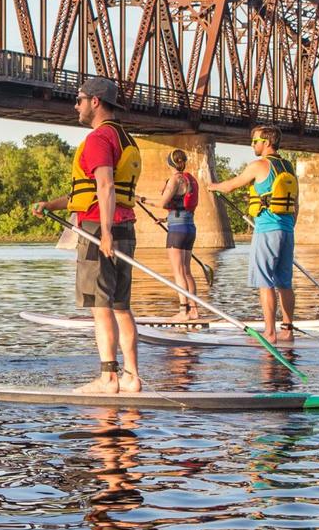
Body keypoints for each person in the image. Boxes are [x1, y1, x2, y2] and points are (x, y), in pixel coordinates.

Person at [30, 77, 141, 394]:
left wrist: (104, 232)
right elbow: (89, 191)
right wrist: (51, 204)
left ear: (95, 101)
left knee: (100, 305)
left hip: (98, 229)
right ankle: (132, 378)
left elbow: (105, 185)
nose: (75, 105)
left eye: (78, 99)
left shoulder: (98, 139)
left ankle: (108, 378)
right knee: (121, 305)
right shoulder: (125, 139)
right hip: (125, 226)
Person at [207, 124, 298, 341]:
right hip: (287, 230)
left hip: (267, 231)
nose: (252, 145)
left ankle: (269, 333)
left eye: (255, 141)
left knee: (265, 281)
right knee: (284, 282)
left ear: (266, 142)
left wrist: (213, 186)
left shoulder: (259, 165)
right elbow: (295, 203)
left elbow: (231, 186)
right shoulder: (288, 167)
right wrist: (288, 226)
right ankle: (287, 330)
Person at [151, 148, 203, 320]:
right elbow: (182, 207)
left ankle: (183, 312)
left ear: (170, 163)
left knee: (178, 271)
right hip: (189, 228)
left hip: (177, 232)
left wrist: (141, 200)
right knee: (187, 271)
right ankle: (194, 310)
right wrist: (165, 220)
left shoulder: (175, 179)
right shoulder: (191, 179)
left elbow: (162, 203)